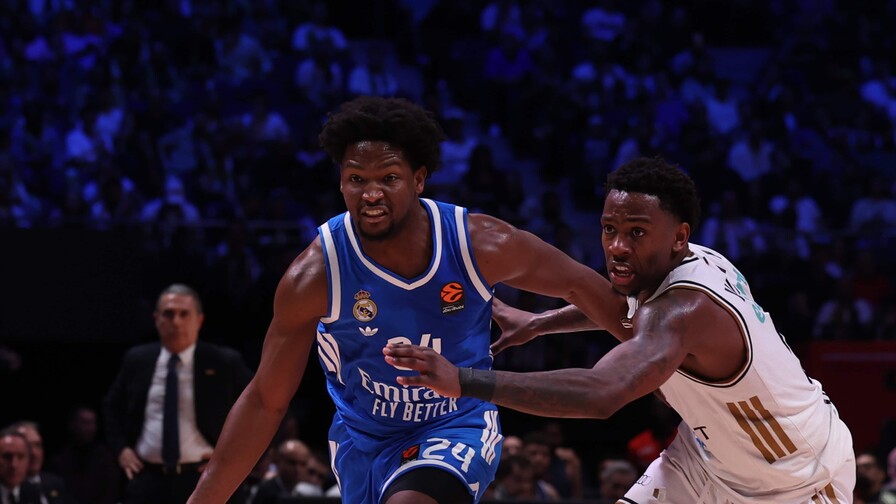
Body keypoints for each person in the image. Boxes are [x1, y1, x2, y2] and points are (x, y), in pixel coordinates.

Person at [187, 95, 632, 504]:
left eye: (389, 178)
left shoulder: (481, 243)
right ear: (341, 184)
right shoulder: (315, 275)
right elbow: (266, 400)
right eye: (356, 179)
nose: (372, 193)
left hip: (455, 423)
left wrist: (662, 366)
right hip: (361, 439)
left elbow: (588, 289)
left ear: (419, 179)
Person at [385, 156, 856, 503]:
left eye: (636, 232)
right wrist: (541, 323)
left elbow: (600, 392)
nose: (616, 246)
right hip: (705, 461)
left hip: (797, 478)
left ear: (678, 235)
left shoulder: (685, 309)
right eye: (609, 229)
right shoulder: (686, 264)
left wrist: (464, 382)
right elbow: (629, 308)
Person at [103, 284, 253, 504]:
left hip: (204, 477)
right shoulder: (137, 359)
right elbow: (111, 406)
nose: (176, 322)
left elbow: (260, 408)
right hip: (147, 477)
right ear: (156, 319)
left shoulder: (224, 361)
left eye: (184, 314)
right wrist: (121, 449)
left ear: (199, 320)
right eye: (168, 314)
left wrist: (235, 460)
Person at [46, 405, 119, 504]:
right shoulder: (59, 460)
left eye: (92, 423)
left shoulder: (106, 458)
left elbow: (110, 493)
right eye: (84, 423)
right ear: (72, 425)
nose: (89, 428)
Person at [9, 421, 71, 504]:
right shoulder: (7, 488)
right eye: (28, 446)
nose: (34, 453)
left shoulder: (55, 484)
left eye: (38, 445)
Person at [0, 428, 40, 504]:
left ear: (28, 460)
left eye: (21, 457)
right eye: (7, 457)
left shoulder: (33, 493)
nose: (14, 465)